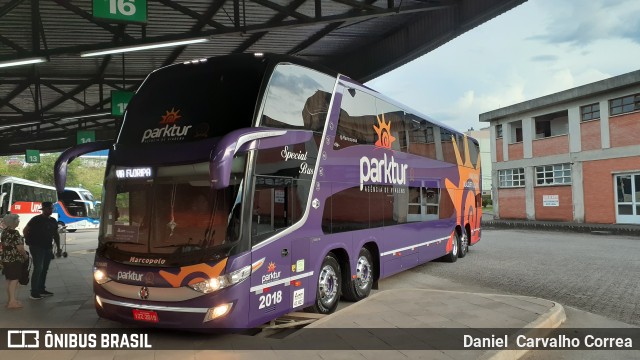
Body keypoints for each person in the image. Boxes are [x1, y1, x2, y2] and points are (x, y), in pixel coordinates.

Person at [24, 201, 60, 300]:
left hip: (48, 247)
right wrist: (28, 241)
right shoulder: (36, 219)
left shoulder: (53, 220)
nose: (51, 210)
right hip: (36, 247)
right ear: (43, 209)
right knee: (38, 268)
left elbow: (56, 234)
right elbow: (25, 230)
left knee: (44, 269)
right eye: (49, 208)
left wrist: (59, 248)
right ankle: (34, 292)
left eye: (52, 208)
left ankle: (41, 289)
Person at [1, 214, 28, 309]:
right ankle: (12, 302)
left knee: (9, 280)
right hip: (14, 259)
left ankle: (10, 300)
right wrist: (25, 256)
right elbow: (20, 248)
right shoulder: (15, 233)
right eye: (17, 220)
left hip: (6, 259)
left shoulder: (4, 232)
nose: (19, 222)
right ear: (13, 222)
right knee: (14, 280)